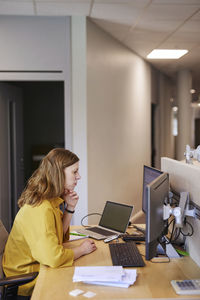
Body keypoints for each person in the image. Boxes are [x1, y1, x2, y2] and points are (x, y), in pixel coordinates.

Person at [3, 148, 97, 296]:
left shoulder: (49, 200)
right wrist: (81, 250)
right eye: (74, 172)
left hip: (39, 267)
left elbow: (57, 238)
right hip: (27, 281)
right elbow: (53, 257)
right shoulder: (41, 209)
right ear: (59, 173)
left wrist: (70, 208)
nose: (78, 176)